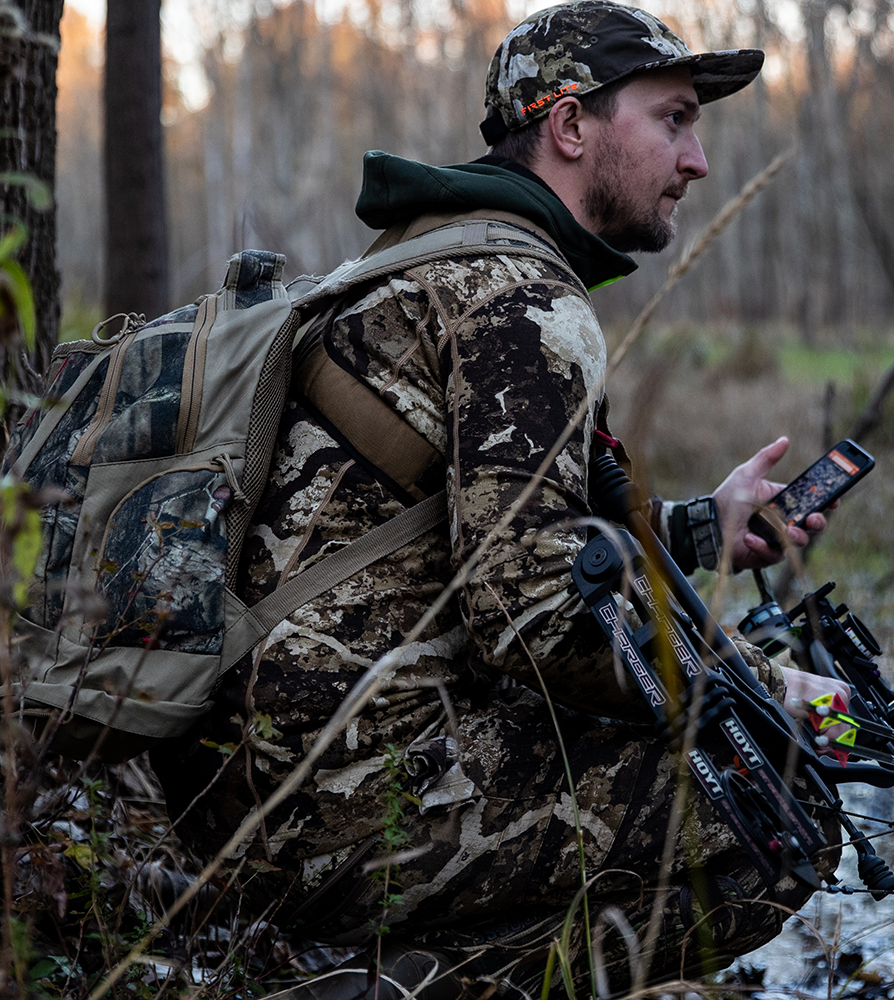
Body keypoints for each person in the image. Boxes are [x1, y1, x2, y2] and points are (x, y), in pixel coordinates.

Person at [152, 3, 848, 995]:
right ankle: (363, 984)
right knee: (774, 794)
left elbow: (507, 535)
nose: (696, 160)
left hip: (242, 783)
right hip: (334, 808)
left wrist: (699, 529)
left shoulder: (440, 251)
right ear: (570, 128)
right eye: (674, 119)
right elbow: (533, 624)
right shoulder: (522, 297)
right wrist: (761, 695)